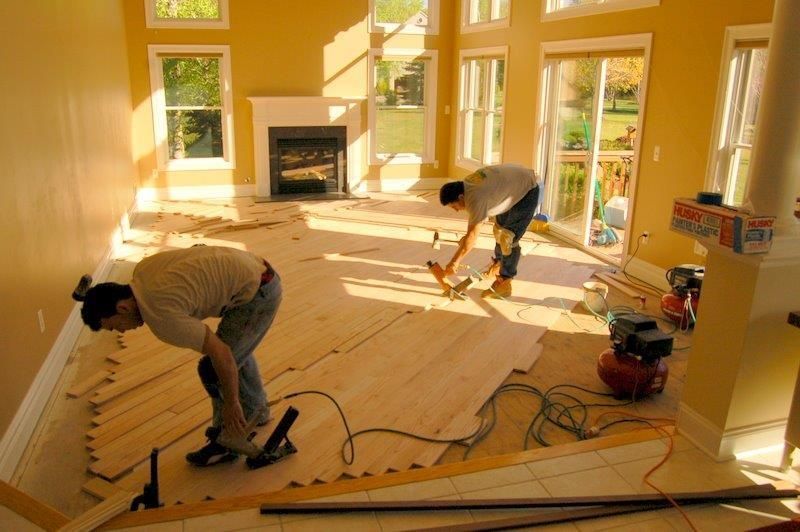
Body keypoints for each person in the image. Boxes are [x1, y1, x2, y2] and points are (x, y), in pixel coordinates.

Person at [74, 245, 282, 466]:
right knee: (237, 348)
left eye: (114, 326)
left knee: (212, 368)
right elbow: (195, 250)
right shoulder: (144, 270)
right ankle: (257, 413)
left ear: (123, 308)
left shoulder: (163, 317)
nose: (121, 331)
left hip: (259, 294)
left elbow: (221, 354)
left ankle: (227, 440)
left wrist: (231, 403)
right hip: (256, 265)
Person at [439, 163, 540, 298]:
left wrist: (454, 262)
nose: (456, 210)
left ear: (460, 197)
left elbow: (473, 236)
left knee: (508, 239)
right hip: (510, 188)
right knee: (499, 231)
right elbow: (471, 234)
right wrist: (466, 241)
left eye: (454, 206)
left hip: (528, 190)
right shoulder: (467, 184)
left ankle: (505, 282)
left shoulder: (475, 198)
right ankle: (499, 264)